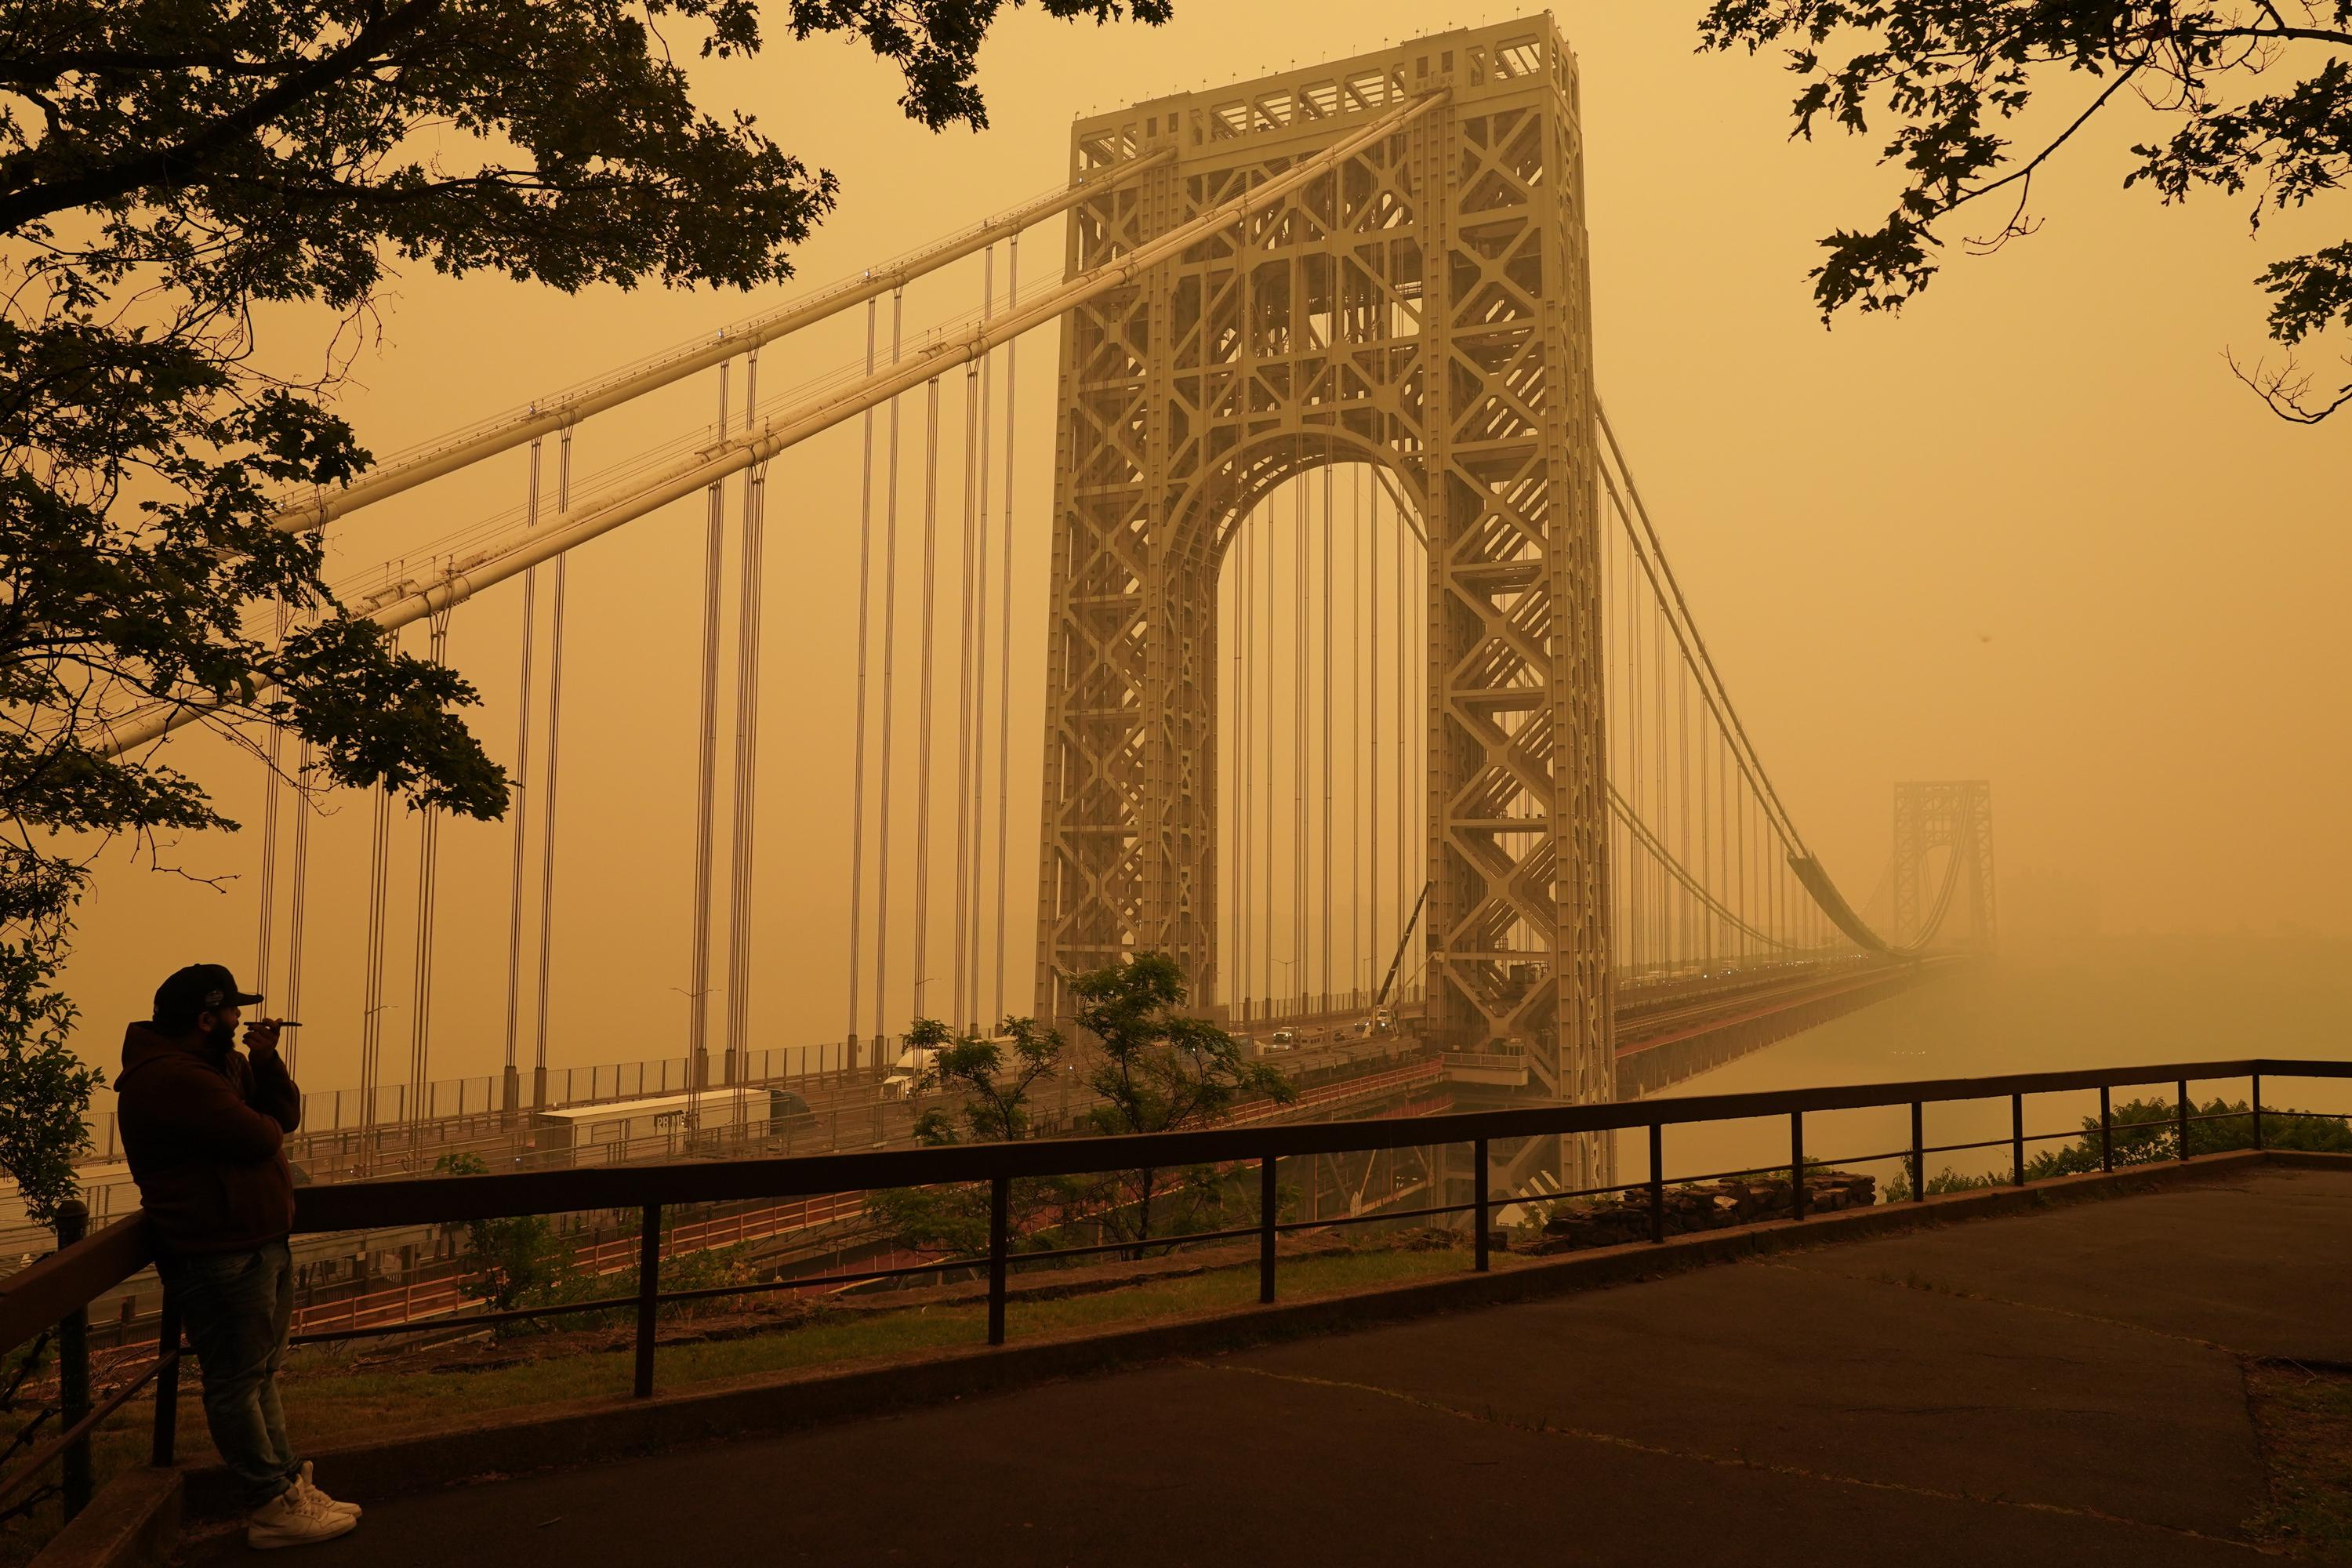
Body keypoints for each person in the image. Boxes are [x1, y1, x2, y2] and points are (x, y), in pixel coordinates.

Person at [117, 964, 360, 1549]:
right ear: (206, 1019)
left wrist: (265, 1060)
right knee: (236, 1382)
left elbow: (285, 1118)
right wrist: (257, 1110)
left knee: (258, 1376)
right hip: (218, 1254)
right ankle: (270, 1507)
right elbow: (262, 1136)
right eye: (232, 1012)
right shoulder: (175, 1079)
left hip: (251, 1245)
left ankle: (285, 1486)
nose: (242, 1018)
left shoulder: (208, 1067)